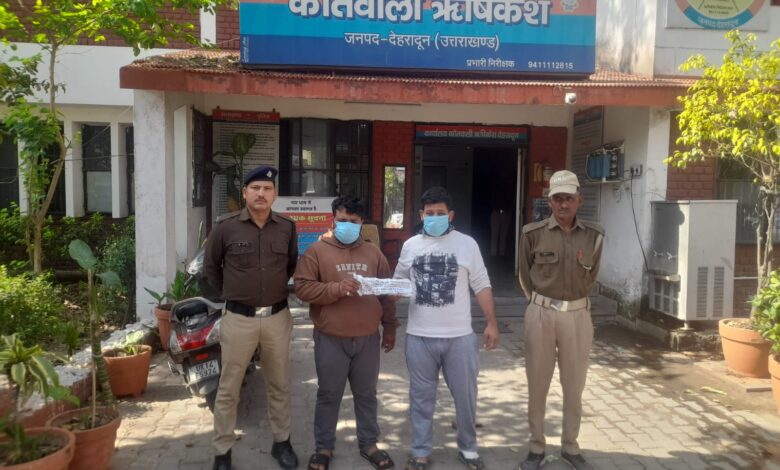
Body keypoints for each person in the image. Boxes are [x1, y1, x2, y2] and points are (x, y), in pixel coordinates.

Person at [394, 186, 500, 470]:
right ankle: (420, 451)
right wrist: (384, 292)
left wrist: (491, 323)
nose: (434, 217)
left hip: (460, 338)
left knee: (466, 397)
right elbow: (398, 282)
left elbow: (482, 284)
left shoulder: (467, 244)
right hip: (419, 337)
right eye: (429, 213)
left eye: (440, 213)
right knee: (421, 398)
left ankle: (468, 448)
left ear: (450, 215)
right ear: (421, 215)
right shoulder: (410, 245)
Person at [293, 195, 399, 470]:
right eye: (342, 220)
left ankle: (369, 444)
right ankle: (324, 448)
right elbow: (302, 288)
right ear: (333, 220)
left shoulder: (373, 253)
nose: (347, 225)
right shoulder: (317, 251)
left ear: (362, 222)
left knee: (367, 394)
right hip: (331, 337)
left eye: (353, 221)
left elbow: (386, 293)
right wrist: (336, 289)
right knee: (329, 394)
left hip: (367, 338)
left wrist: (390, 327)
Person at [204, 166, 299, 470]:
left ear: (274, 194)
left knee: (279, 383)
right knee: (229, 387)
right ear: (244, 192)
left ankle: (282, 442)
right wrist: (234, 294)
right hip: (238, 319)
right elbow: (210, 268)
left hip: (277, 318)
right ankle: (222, 451)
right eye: (255, 188)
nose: (261, 193)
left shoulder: (287, 227)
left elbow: (291, 266)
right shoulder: (225, 227)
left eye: (267, 188)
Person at [517, 170, 605, 470]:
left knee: (574, 385)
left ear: (579, 200)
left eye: (569, 198)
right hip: (541, 314)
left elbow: (592, 276)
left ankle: (570, 446)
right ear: (549, 201)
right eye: (557, 199)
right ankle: (536, 447)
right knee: (537, 384)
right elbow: (524, 276)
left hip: (578, 316)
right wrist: (540, 304)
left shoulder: (594, 235)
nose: (563, 204)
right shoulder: (532, 233)